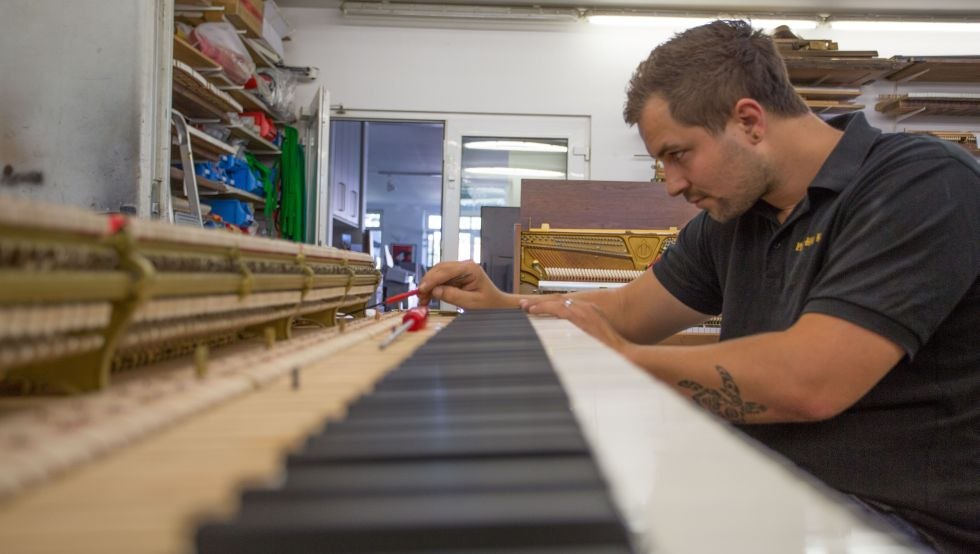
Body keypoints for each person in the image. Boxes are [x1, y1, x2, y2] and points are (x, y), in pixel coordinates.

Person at [418, 20, 979, 554]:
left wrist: (622, 361)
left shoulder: (921, 184)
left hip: (900, 522)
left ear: (750, 121)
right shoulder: (735, 215)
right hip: (778, 489)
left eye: (677, 154)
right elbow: (629, 310)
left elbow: (812, 382)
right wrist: (504, 305)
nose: (671, 184)